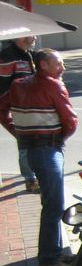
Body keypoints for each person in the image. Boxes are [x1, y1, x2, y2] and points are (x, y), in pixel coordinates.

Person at [9, 49, 78, 266]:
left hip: (33, 149)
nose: (63, 68)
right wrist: (57, 139)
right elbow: (71, 121)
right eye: (59, 64)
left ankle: (54, 253)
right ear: (43, 65)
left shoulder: (18, 85)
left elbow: (3, 110)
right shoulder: (53, 85)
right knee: (54, 206)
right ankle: (49, 259)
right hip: (48, 150)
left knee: (51, 203)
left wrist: (21, 133)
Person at [0, 36, 39, 192]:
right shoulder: (8, 56)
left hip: (32, 107)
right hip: (19, 109)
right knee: (25, 145)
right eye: (30, 34)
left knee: (32, 144)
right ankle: (30, 180)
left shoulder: (31, 54)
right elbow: (3, 87)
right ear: (19, 37)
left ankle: (35, 176)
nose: (34, 37)